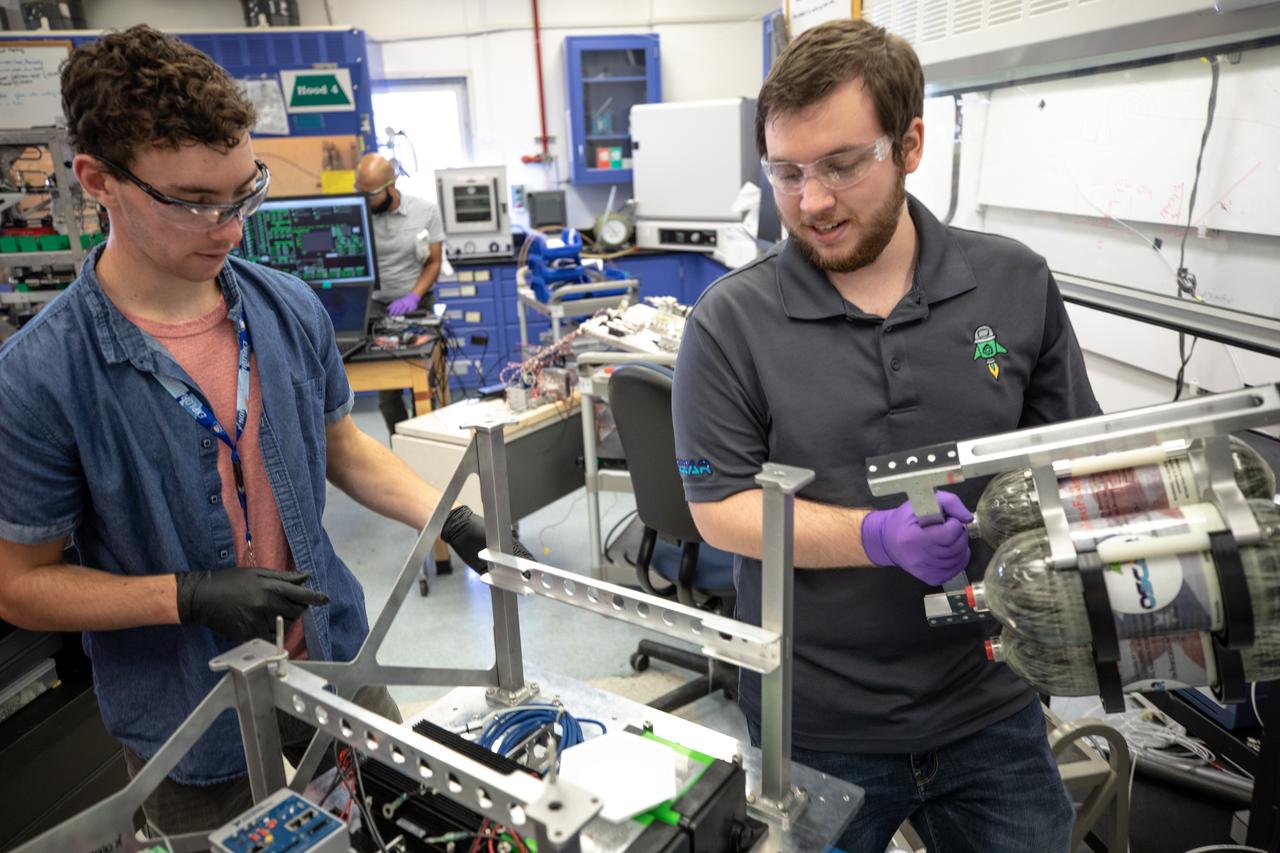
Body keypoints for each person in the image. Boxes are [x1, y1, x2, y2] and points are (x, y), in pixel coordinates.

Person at [0, 25, 517, 835]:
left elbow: (341, 447)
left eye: (245, 191)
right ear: (97, 179)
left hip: (336, 658)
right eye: (194, 203)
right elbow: (18, 584)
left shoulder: (286, 308)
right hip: (184, 706)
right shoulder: (41, 374)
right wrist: (188, 594)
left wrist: (446, 516)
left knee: (408, 826)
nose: (230, 225)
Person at [671, 19, 1099, 853]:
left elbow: (1069, 463)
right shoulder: (731, 321)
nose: (812, 202)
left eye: (840, 164)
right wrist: (876, 536)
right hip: (820, 718)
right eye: (786, 173)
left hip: (992, 699)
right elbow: (718, 508)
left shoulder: (1013, 282)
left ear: (909, 145)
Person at [354, 152, 446, 435]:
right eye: (360, 193)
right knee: (388, 394)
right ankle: (402, 445)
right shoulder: (359, 213)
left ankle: (433, 443)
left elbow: (433, 261)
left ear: (391, 186)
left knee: (429, 383)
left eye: (369, 195)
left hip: (418, 305)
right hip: (378, 309)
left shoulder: (425, 211)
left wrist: (414, 296)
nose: (364, 201)